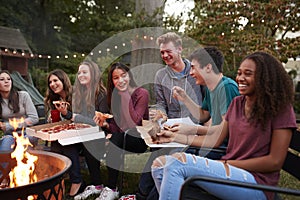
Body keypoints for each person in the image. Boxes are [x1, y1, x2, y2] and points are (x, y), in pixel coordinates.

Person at [151, 51, 296, 200]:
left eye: (248, 74)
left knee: (176, 164)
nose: (240, 78)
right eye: (239, 73)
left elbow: (274, 162)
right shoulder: (237, 103)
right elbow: (215, 138)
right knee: (159, 166)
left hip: (257, 183)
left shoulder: (281, 109)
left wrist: (225, 163)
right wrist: (174, 137)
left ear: (265, 78)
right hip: (230, 171)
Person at [136, 32, 205, 200]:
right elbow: (161, 103)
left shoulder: (195, 72)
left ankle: (146, 194)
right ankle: (142, 192)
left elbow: (205, 106)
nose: (165, 55)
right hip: (171, 124)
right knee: (159, 150)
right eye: (162, 52)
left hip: (194, 127)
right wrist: (161, 113)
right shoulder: (161, 75)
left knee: (166, 153)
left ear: (180, 49)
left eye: (169, 51)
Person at [171, 46, 240, 159]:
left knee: (176, 153)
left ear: (208, 67)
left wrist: (191, 129)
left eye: (193, 68)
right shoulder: (210, 88)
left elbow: (225, 131)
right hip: (213, 143)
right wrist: (185, 98)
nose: (191, 73)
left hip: (224, 149)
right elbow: (203, 115)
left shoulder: (227, 87)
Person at [94, 62, 149, 200]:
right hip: (121, 137)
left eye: (123, 76)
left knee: (116, 139)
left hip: (140, 139)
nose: (121, 80)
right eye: (116, 78)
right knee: (115, 138)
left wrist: (125, 94)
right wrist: (105, 124)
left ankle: (111, 188)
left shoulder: (141, 93)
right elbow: (117, 127)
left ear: (129, 76)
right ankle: (107, 187)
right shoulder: (115, 96)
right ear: (112, 81)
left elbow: (134, 122)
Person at [0, 70, 39, 152]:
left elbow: (34, 118)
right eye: (2, 79)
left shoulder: (23, 96)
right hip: (9, 135)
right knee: (4, 151)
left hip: (27, 132)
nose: (6, 81)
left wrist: (8, 126)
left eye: (8, 79)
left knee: (25, 146)